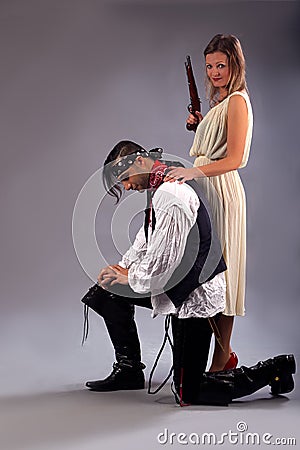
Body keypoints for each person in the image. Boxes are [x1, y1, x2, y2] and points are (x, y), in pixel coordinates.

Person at [81, 140, 295, 406]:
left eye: (125, 179)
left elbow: (165, 263)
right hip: (174, 284)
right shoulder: (159, 182)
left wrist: (130, 277)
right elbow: (148, 238)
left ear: (139, 162)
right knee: (106, 292)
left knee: (189, 393)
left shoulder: (171, 193)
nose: (126, 187)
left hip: (194, 294)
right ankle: (130, 370)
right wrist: (123, 267)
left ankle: (275, 368)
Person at [165, 34, 253, 372]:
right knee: (204, 273)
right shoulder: (221, 103)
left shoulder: (237, 102)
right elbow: (216, 144)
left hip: (222, 193)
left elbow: (234, 159)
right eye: (210, 66)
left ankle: (223, 356)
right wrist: (200, 126)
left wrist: (191, 171)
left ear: (235, 64)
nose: (215, 72)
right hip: (206, 189)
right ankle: (219, 353)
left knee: (221, 273)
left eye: (221, 64)